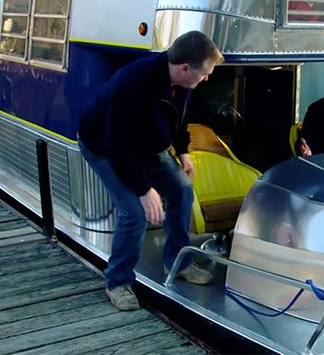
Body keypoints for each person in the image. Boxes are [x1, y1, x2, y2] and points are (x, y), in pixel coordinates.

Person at [77, 31, 224, 311]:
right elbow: (117, 147)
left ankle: (178, 262)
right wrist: (144, 190)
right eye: (205, 73)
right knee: (133, 212)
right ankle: (118, 282)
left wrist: (183, 151)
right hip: (105, 147)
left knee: (181, 189)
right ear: (184, 68)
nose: (207, 79)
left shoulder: (183, 85)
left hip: (144, 146)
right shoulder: (133, 84)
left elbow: (178, 119)